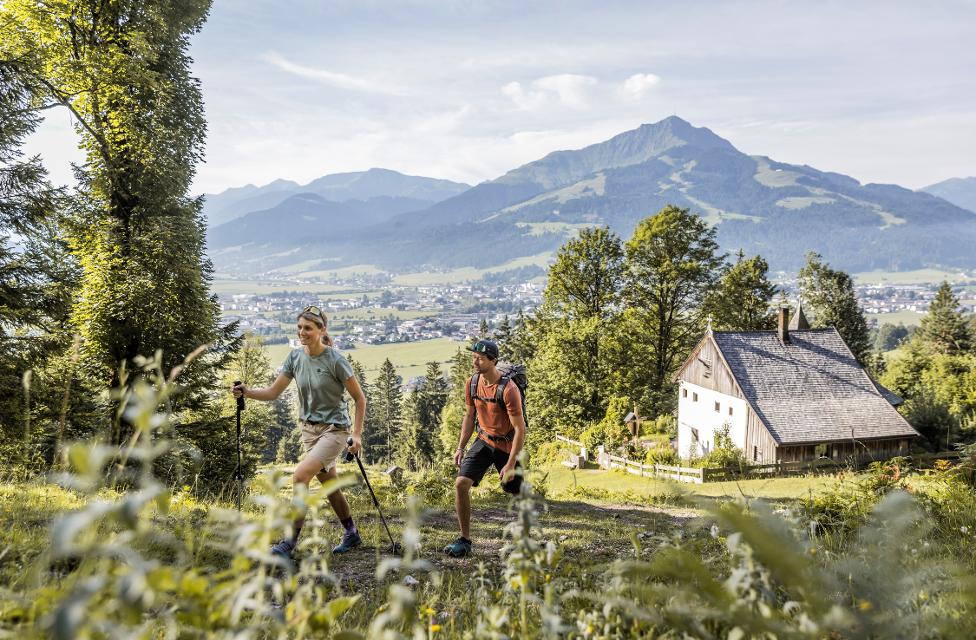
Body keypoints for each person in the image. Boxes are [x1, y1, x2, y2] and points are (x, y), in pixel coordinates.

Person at [232, 305, 366, 558]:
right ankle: (351, 533)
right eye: (299, 328)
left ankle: (289, 543)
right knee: (330, 485)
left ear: (321, 330)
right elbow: (273, 392)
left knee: (300, 476)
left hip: (335, 430)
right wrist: (247, 392)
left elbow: (360, 399)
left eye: (308, 328)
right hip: (309, 430)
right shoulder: (295, 358)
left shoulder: (335, 360)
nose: (302, 332)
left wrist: (356, 435)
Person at [444, 339, 526, 558]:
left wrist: (510, 464)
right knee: (461, 484)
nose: (475, 361)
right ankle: (464, 540)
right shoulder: (472, 383)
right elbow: (470, 416)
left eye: (480, 358)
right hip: (484, 440)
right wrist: (460, 447)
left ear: (493, 360)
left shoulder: (508, 390)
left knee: (516, 492)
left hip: (507, 445)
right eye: (474, 357)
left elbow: (520, 429)